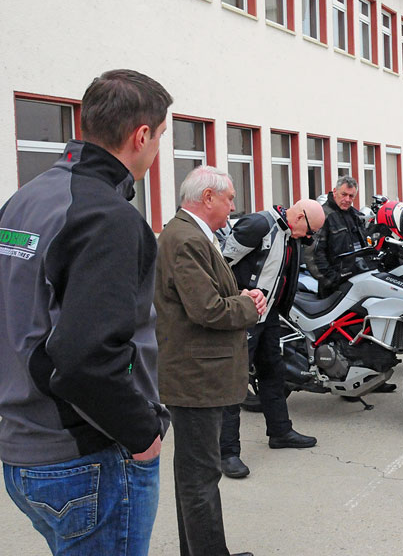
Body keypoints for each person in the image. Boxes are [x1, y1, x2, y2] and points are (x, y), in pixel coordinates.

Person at [0, 69, 171, 555]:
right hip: (86, 456)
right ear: (141, 135)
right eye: (161, 136)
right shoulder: (107, 218)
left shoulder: (24, 201)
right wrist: (142, 434)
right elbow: (85, 359)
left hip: (23, 448)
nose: (158, 149)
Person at [155, 166, 266, 556]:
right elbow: (207, 309)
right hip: (195, 378)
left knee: (195, 477)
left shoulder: (191, 234)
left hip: (197, 375)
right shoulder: (186, 238)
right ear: (207, 198)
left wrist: (241, 299)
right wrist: (249, 306)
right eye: (229, 198)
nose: (233, 206)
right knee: (200, 478)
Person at [219, 198, 326, 478]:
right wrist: (239, 297)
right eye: (310, 231)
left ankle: (280, 431)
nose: (310, 237)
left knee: (273, 373)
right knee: (234, 382)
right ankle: (227, 452)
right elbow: (219, 265)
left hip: (268, 316)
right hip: (244, 315)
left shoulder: (290, 234)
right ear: (300, 217)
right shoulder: (259, 225)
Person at [311, 175, 369, 297]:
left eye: (351, 196)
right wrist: (332, 280)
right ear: (335, 191)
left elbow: (364, 245)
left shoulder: (356, 216)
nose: (347, 199)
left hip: (356, 281)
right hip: (333, 288)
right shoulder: (322, 216)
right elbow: (313, 254)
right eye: (344, 194)